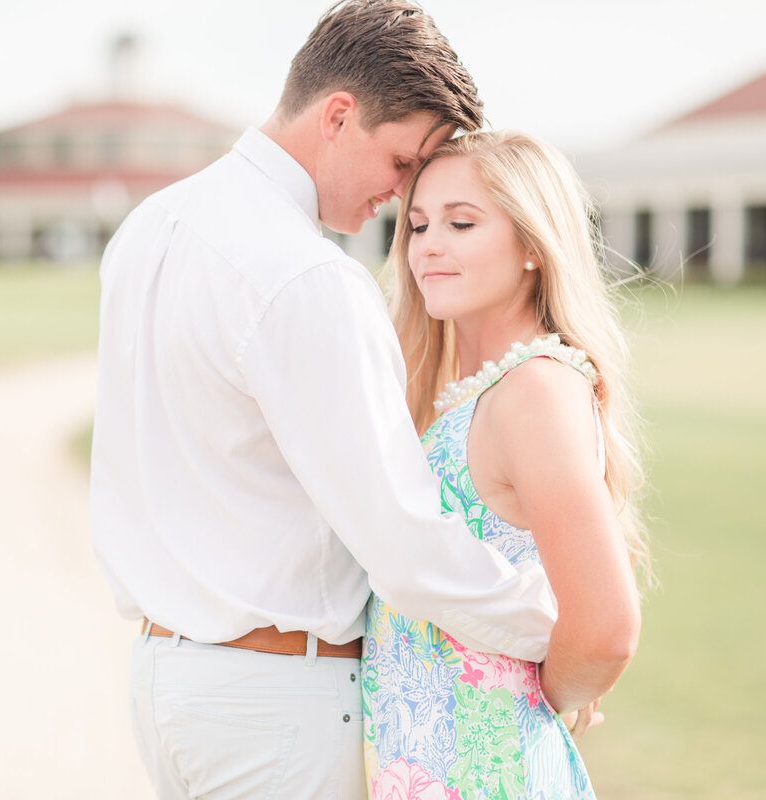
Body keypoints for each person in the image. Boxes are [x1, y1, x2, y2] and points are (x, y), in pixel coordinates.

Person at [91, 2, 559, 797]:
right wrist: (553, 632)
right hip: (274, 702)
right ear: (339, 115)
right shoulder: (308, 278)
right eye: (404, 160)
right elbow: (405, 546)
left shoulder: (149, 226)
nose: (404, 194)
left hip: (164, 684)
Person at [363, 129, 649, 798]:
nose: (429, 244)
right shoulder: (470, 393)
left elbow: (606, 628)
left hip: (486, 770)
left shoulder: (536, 390)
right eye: (419, 224)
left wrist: (528, 695)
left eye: (462, 223)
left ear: (531, 245)